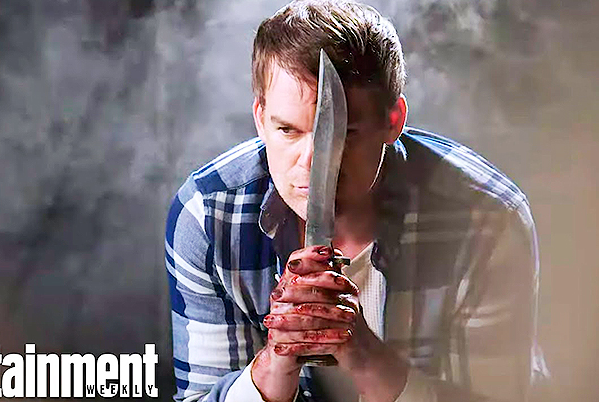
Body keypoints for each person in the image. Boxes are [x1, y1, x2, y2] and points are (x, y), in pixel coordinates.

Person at [165, 1, 549, 401]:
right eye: (288, 130)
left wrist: (366, 357)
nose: (313, 160)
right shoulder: (208, 217)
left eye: (344, 133)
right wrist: (275, 364)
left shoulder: (486, 220)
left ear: (392, 121)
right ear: (260, 118)